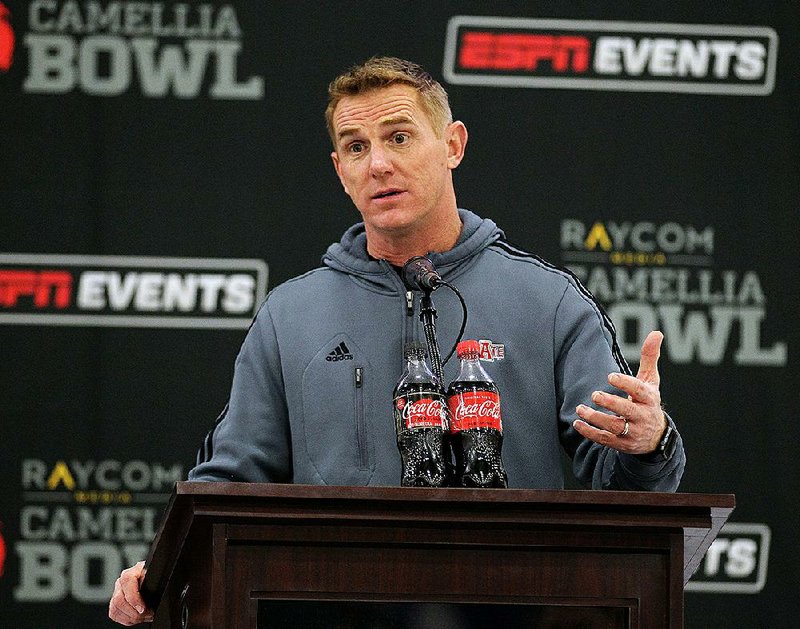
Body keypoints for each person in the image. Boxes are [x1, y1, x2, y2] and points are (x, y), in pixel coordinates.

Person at [109, 56, 685, 625]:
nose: (378, 163)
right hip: (330, 611)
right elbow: (225, 487)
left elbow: (625, 488)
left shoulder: (550, 302)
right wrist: (160, 568)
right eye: (356, 147)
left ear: (453, 145)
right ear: (339, 169)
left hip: (513, 608)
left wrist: (650, 441)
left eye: (400, 136)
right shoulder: (290, 315)